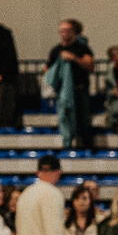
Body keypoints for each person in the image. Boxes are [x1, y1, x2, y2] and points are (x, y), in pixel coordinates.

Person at [45, 19, 94, 149]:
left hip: (80, 90)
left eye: (68, 31)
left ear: (73, 32)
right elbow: (47, 71)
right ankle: (68, 149)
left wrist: (74, 58)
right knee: (65, 120)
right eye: (62, 31)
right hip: (63, 93)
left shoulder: (82, 48)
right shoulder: (55, 50)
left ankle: (88, 150)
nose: (65, 34)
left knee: (84, 122)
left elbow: (90, 65)